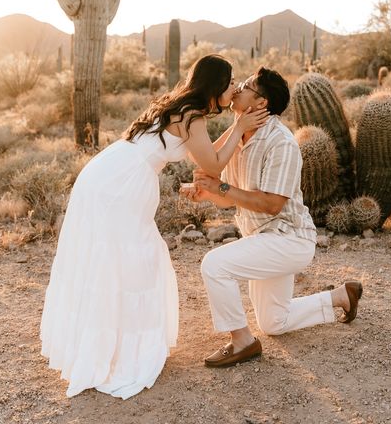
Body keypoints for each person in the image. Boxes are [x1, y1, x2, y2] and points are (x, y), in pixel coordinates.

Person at [40, 54, 269, 398]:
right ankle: (120, 352)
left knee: (120, 258)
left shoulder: (182, 107)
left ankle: (109, 345)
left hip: (110, 172)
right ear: (216, 85)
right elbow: (215, 164)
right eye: (231, 80)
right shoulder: (193, 116)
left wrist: (235, 128)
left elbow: (206, 154)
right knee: (133, 259)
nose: (235, 86)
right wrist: (239, 126)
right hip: (122, 184)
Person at [181, 66, 363, 367]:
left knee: (214, 265)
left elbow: (271, 204)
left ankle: (242, 342)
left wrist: (221, 186)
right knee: (274, 322)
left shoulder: (280, 142)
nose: (237, 88)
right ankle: (341, 297)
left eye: (246, 85)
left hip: (288, 239)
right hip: (263, 239)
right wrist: (208, 193)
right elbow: (222, 186)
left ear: (262, 102)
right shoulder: (239, 135)